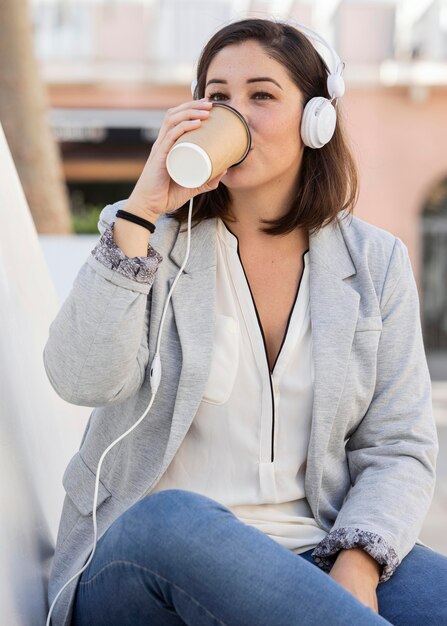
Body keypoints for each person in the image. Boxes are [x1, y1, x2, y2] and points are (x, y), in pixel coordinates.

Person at [44, 18, 446, 626]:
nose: (234, 115)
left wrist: (357, 562)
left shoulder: (375, 262)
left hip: (310, 550)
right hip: (146, 556)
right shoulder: (145, 238)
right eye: (217, 97)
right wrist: (145, 208)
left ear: (318, 120)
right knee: (174, 518)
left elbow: (399, 445)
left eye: (261, 95)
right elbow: (81, 378)